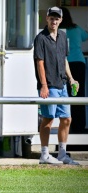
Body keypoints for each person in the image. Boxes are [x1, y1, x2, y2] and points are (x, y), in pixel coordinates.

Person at [33, 7, 79, 165]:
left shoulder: (63, 36)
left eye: (56, 18)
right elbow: (40, 62)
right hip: (49, 85)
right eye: (51, 18)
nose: (54, 21)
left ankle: (62, 154)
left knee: (66, 119)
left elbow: (64, 60)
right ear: (47, 19)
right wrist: (44, 85)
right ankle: (44, 154)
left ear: (60, 20)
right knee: (48, 119)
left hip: (63, 84)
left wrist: (72, 79)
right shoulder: (40, 38)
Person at [59, 6, 88, 133]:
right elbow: (85, 36)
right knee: (79, 95)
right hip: (79, 63)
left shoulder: (57, 30)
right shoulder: (76, 28)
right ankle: (79, 126)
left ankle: (66, 126)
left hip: (63, 65)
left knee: (64, 95)